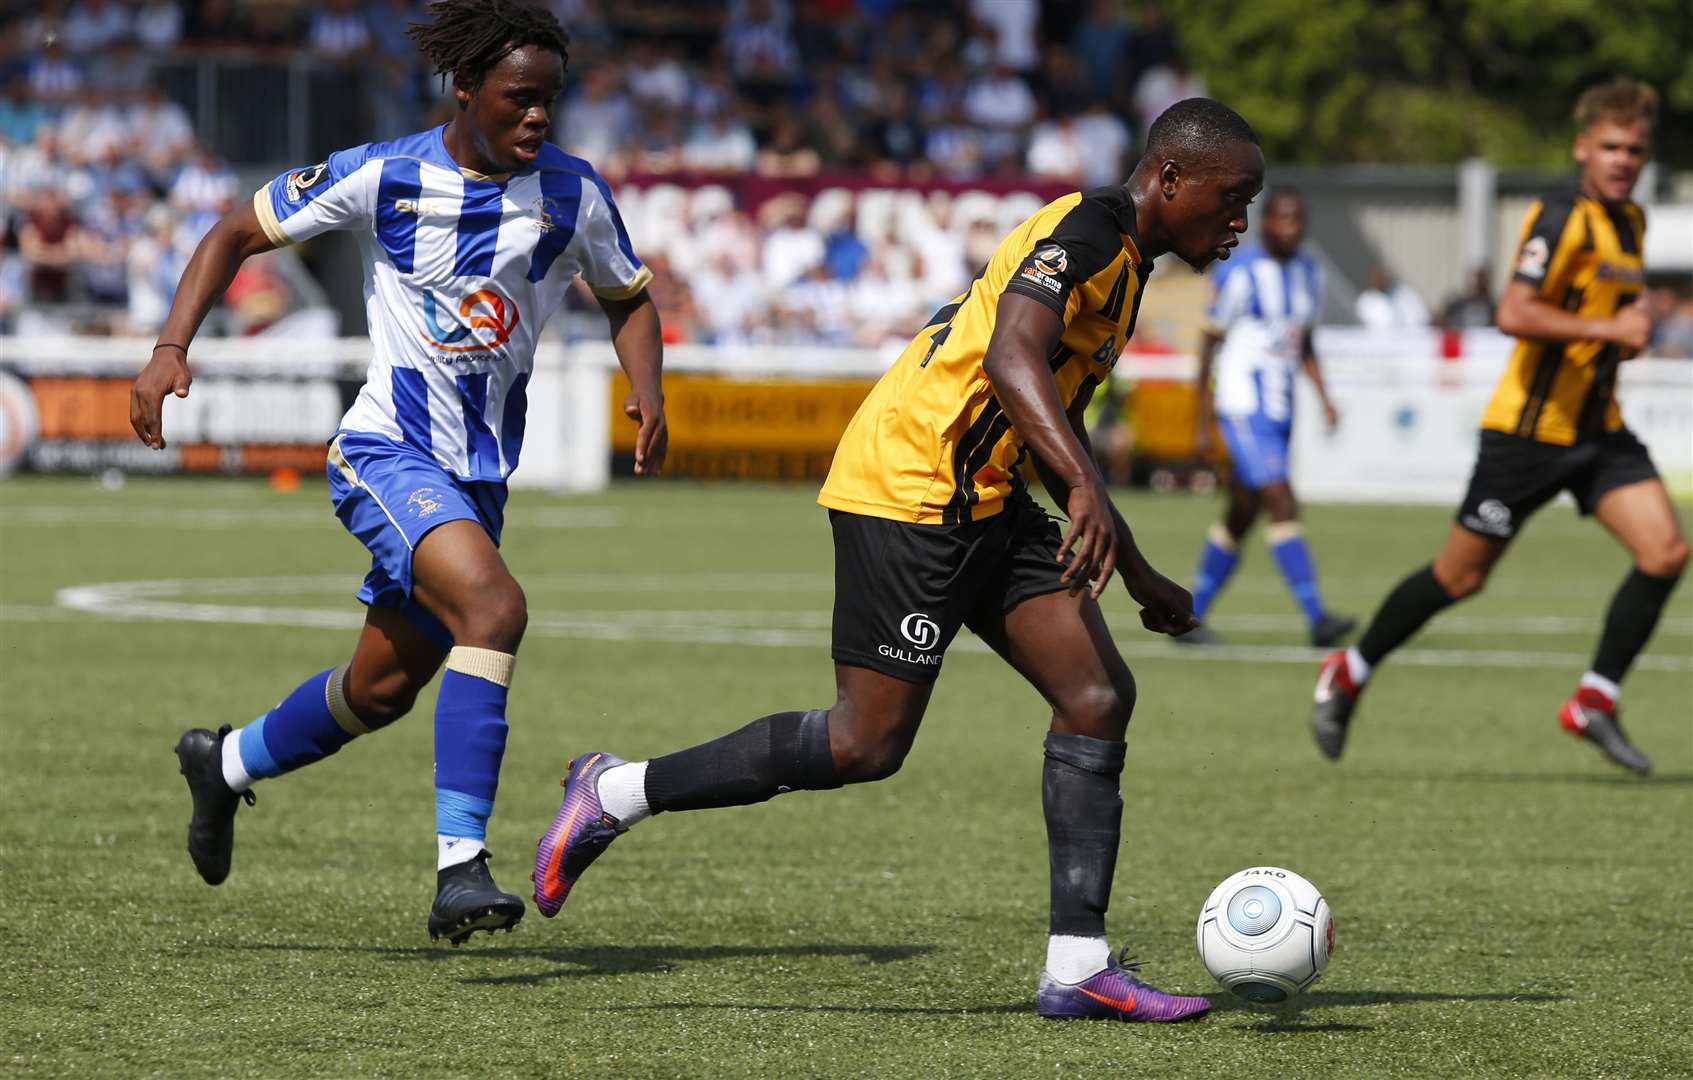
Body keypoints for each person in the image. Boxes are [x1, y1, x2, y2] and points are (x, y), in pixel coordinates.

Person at [531, 98, 1267, 1023]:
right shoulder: (1085, 231)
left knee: (1096, 696)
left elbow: (1052, 410)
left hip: (986, 498)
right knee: (863, 744)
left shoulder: (1125, 270)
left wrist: (1137, 560)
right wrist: (1081, 489)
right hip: (910, 487)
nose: (1237, 219)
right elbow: (1011, 358)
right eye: (1230, 197)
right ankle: (615, 789)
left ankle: (1077, 965)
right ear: (1167, 178)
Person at [128, 0, 668, 944]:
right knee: (494, 611)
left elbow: (629, 296)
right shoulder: (383, 175)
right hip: (385, 452)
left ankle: (223, 765)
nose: (538, 117)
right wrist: (172, 346)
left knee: (379, 691)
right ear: (465, 90)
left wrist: (649, 391)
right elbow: (231, 236)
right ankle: (461, 867)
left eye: (550, 100)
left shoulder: (573, 194)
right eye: (519, 99)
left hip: (479, 481)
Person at [1310, 78, 1686, 775]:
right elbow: (1514, 312)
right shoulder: (1557, 217)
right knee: (1458, 578)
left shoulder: (1630, 223)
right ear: (1581, 147)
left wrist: (1621, 335)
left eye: (1633, 148)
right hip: (1526, 437)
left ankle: (1593, 701)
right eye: (1608, 146)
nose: (1621, 159)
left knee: (1664, 552)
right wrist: (1607, 326)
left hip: (1598, 431)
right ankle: (1350, 668)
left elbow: (1606, 318)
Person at [1182, 188, 1353, 647]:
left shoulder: (1309, 274)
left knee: (1243, 511)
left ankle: (1188, 616)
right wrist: (1201, 421)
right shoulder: (1240, 272)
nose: (1291, 228)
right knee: (1281, 498)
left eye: (1298, 220)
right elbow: (1208, 343)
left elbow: (1306, 343)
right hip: (1242, 405)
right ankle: (1317, 618)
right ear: (1267, 222)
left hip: (1281, 408)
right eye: (1282, 219)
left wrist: (1324, 396)